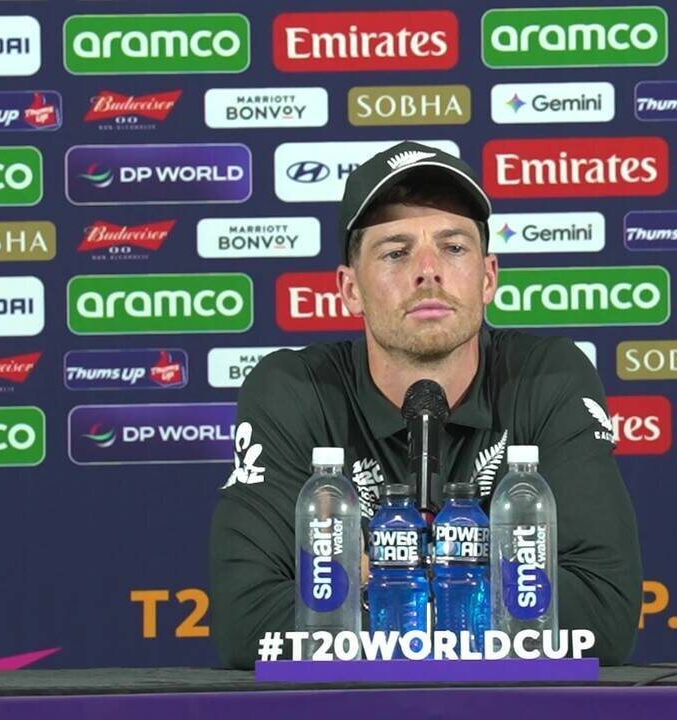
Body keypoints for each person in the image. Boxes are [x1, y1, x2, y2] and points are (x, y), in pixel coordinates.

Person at [210, 141, 642, 668]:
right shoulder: (293, 391)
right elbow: (248, 623)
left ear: (488, 277)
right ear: (350, 289)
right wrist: (495, 587)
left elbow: (603, 615)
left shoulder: (551, 377)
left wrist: (373, 584)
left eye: (453, 247)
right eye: (396, 252)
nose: (428, 271)